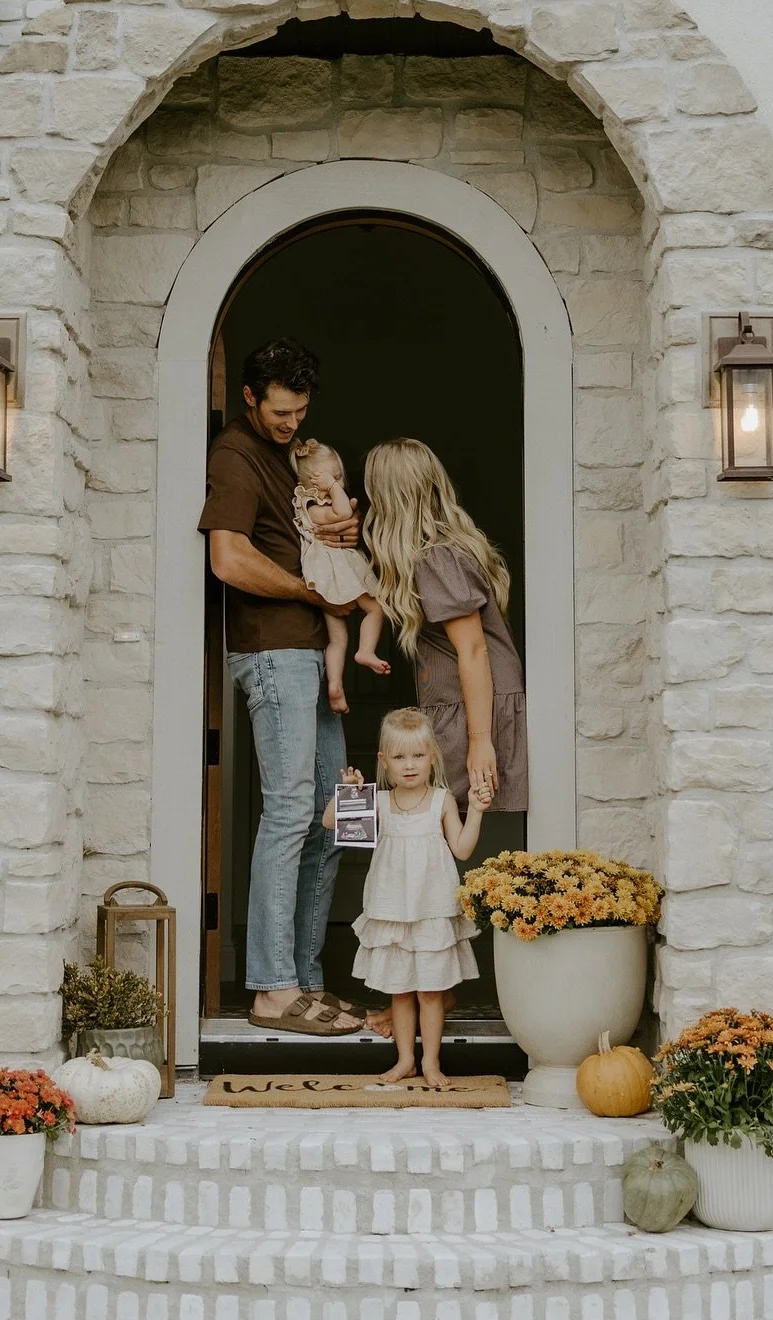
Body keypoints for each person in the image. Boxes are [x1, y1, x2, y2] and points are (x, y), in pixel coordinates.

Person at [198, 337, 362, 1037]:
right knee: (292, 814)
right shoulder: (234, 455)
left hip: (311, 655)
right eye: (279, 412)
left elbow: (301, 524)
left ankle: (305, 982)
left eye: (300, 411)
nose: (291, 423)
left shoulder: (286, 453)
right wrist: (311, 589)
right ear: (248, 398)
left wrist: (340, 530)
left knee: (339, 821)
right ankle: (269, 988)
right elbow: (230, 559)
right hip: (274, 654)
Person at [363, 437, 528, 814]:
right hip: (462, 705)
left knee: (439, 825)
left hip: (474, 710)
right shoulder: (432, 556)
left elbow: (473, 649)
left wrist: (480, 740)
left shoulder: (435, 558)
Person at [332, 708, 489, 1090]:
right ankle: (406, 1061)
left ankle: (432, 1063)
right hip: (392, 911)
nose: (409, 765)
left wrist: (478, 811)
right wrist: (353, 793)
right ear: (384, 762)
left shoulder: (441, 800)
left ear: (432, 756)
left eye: (417, 755)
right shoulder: (381, 803)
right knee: (400, 991)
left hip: (431, 910)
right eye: (399, 757)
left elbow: (463, 849)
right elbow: (330, 823)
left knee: (431, 992)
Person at [290, 438, 390, 714]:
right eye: (332, 477)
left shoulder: (311, 504)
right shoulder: (312, 506)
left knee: (337, 639)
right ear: (313, 482)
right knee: (375, 609)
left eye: (339, 476)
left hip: (328, 577)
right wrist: (336, 491)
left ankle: (335, 687)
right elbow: (343, 512)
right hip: (335, 573)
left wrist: (337, 492)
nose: (338, 481)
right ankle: (366, 651)